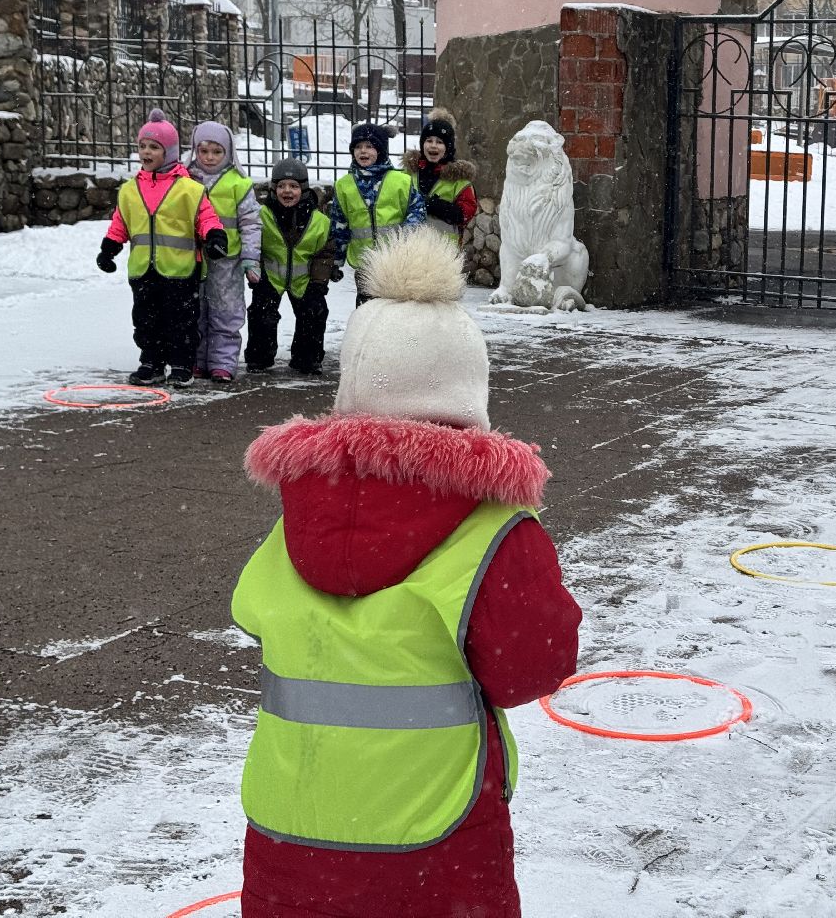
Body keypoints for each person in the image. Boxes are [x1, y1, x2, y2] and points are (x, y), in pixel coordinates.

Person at [233, 228, 581, 918]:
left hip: (292, 832)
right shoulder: (494, 532)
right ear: (467, 397)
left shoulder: (297, 519)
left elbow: (263, 621)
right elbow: (533, 665)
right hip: (435, 845)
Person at [96, 109, 226, 387]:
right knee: (145, 320)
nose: (146, 152)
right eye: (142, 146)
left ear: (169, 152)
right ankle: (151, 362)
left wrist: (215, 237)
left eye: (154, 147)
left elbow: (206, 217)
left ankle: (181, 364)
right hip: (143, 270)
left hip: (180, 270)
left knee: (181, 322)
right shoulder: (129, 190)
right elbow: (120, 223)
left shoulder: (189, 189)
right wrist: (108, 249)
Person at [245, 158, 337, 376]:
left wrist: (318, 282)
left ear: (303, 190)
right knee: (261, 313)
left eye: (294, 186)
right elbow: (253, 244)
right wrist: (255, 270)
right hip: (270, 277)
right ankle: (260, 357)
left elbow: (325, 253)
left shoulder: (319, 220)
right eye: (281, 186)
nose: (287, 191)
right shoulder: (262, 215)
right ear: (273, 189)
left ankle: (307, 358)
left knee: (314, 312)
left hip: (304, 280)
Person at [187, 120, 261, 383]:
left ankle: (222, 362)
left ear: (228, 152)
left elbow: (251, 223)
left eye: (216, 152)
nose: (209, 157)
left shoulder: (238, 184)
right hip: (192, 259)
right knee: (194, 311)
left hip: (227, 262)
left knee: (226, 312)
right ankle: (195, 359)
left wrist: (251, 259)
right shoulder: (185, 179)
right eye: (203, 151)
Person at [329, 122, 426, 305]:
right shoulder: (344, 185)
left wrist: (404, 238)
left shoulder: (401, 181)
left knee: (394, 312)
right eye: (358, 147)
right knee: (367, 311)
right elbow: (339, 226)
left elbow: (417, 212)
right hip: (364, 262)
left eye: (369, 146)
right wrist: (336, 261)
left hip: (396, 262)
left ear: (381, 150)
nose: (363, 151)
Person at [404, 108, 478, 244]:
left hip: (443, 251)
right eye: (429, 140)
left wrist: (436, 206)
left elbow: (466, 214)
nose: (433, 146)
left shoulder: (459, 180)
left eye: (439, 142)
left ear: (448, 147)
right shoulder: (409, 173)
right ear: (422, 143)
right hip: (411, 247)